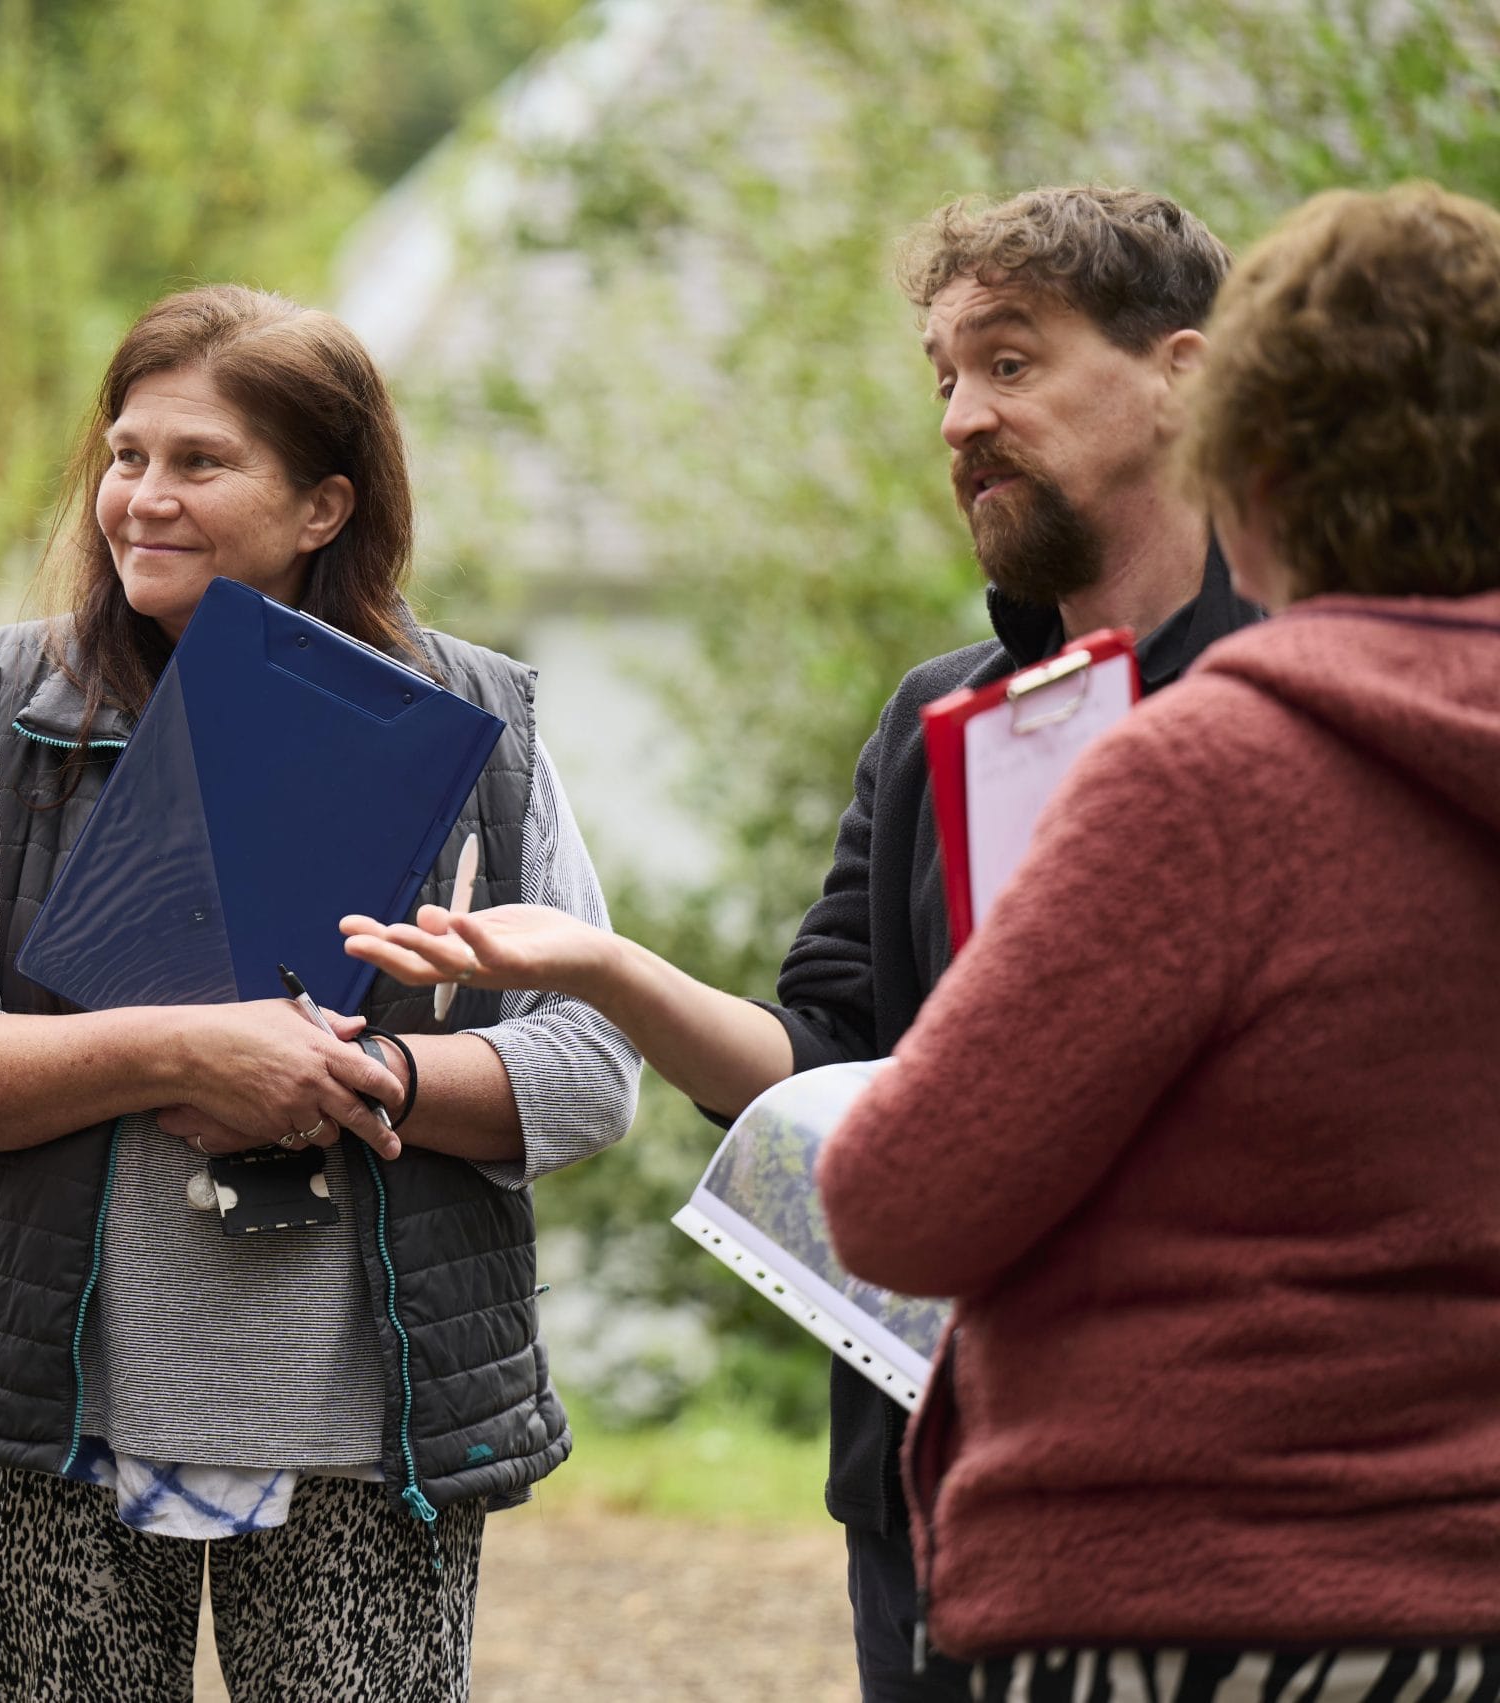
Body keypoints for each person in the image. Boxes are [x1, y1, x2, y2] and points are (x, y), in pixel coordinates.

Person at [341, 185, 1262, 1701]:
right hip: (944, 1488)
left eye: (1012, 363)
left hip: (1238, 1499)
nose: (963, 415)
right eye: (944, 376)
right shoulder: (938, 723)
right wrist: (602, 968)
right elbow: (826, 1062)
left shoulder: (1312, 694)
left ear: (1183, 373)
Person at [0, 284, 641, 1701]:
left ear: (324, 507)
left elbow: (591, 1066)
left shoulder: (476, 727)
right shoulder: (13, 706)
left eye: (199, 463)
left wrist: (372, 1082)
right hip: (61, 1397)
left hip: (365, 1413)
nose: (140, 497)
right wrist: (186, 1053)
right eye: (126, 454)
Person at [816, 180, 1500, 1700]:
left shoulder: (1206, 771)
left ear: (1240, 448)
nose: (960, 418)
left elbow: (897, 1203)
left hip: (1192, 1594)